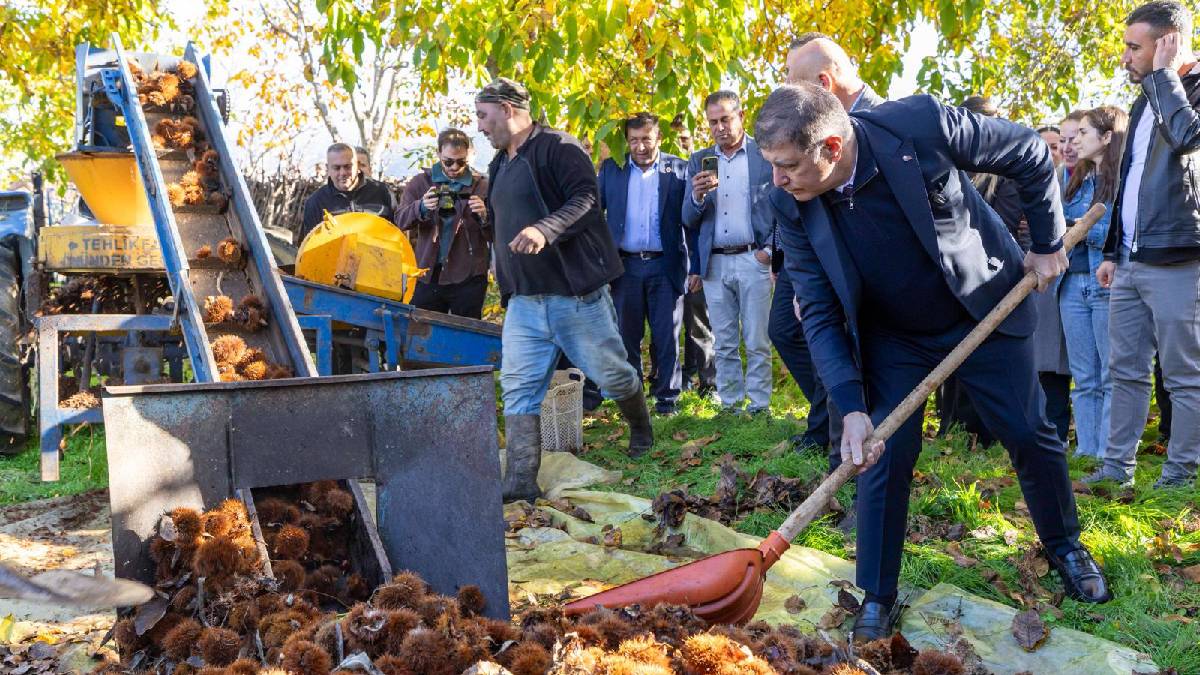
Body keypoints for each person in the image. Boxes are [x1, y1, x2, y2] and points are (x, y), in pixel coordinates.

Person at [757, 83, 1111, 641]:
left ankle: (1065, 545)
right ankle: (877, 593)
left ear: (830, 144)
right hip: (893, 337)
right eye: (772, 166)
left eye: (788, 165)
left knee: (1027, 431)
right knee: (883, 449)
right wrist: (849, 405)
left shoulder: (917, 124)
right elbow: (819, 312)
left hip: (981, 310)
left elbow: (1029, 152)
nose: (778, 179)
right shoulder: (787, 200)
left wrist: (1046, 242)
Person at [475, 78, 652, 502]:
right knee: (518, 385)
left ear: (507, 109)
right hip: (524, 303)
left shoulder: (560, 147)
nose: (479, 126)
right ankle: (520, 481)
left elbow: (586, 200)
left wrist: (544, 229)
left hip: (575, 298)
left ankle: (641, 427)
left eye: (483, 115)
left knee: (611, 374)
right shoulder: (500, 164)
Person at [1089, 0, 1200, 490]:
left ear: (1168, 43)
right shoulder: (1144, 100)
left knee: (1184, 377)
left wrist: (1163, 76)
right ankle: (1116, 472)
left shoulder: (1185, 92)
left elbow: (1187, 138)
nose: (1125, 58)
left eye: (1135, 47)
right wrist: (1114, 250)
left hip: (1180, 258)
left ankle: (1179, 478)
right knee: (1125, 372)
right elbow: (1128, 179)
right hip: (1132, 260)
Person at [779, 33, 882, 459]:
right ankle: (826, 422)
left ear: (822, 83)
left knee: (852, 354)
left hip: (858, 274)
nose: (786, 89)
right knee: (786, 329)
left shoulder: (885, 123)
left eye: (791, 80)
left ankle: (847, 458)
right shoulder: (806, 128)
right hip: (809, 256)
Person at [683, 90, 776, 413]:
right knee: (723, 342)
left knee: (757, 341)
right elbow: (688, 218)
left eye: (725, 119)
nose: (719, 127)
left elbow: (783, 204)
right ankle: (731, 405)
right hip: (716, 262)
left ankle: (760, 406)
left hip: (754, 258)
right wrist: (696, 197)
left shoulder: (763, 155)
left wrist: (769, 250)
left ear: (740, 115)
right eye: (712, 122)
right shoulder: (699, 160)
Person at [599, 113, 690, 415]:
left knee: (667, 335)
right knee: (628, 336)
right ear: (627, 141)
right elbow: (593, 213)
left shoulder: (678, 168)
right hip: (625, 267)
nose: (640, 146)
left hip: (665, 265)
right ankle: (633, 397)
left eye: (646, 139)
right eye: (634, 140)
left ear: (659, 138)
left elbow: (691, 217)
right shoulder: (613, 168)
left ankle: (667, 399)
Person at [1059, 107, 1127, 459]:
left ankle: (1110, 453)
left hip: (1107, 282)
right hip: (1071, 282)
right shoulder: (1076, 180)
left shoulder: (1124, 180)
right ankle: (1087, 452)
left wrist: (1079, 228)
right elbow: (1061, 229)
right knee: (1083, 375)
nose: (1075, 141)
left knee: (1111, 374)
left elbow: (1113, 231)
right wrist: (1075, 228)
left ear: (1106, 138)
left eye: (1083, 133)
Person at [395, 128, 492, 318]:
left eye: (461, 162)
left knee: (465, 336)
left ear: (470, 156)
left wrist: (484, 216)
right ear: (438, 154)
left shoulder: (483, 186)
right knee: (421, 334)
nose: (454, 167)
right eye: (448, 161)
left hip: (469, 276)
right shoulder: (420, 183)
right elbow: (399, 221)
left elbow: (497, 234)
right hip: (427, 273)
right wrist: (420, 207)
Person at [670, 114, 718, 395]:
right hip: (673, 261)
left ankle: (708, 384)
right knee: (679, 325)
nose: (682, 143)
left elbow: (698, 224)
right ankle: (684, 378)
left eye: (686, 138)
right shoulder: (669, 171)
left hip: (698, 259)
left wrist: (696, 266)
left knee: (701, 325)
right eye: (677, 138)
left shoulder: (700, 169)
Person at [299, 143, 397, 243]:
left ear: (357, 166)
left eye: (347, 167)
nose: (343, 173)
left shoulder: (382, 192)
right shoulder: (315, 202)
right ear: (328, 169)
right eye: (336, 168)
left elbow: (398, 236)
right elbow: (307, 248)